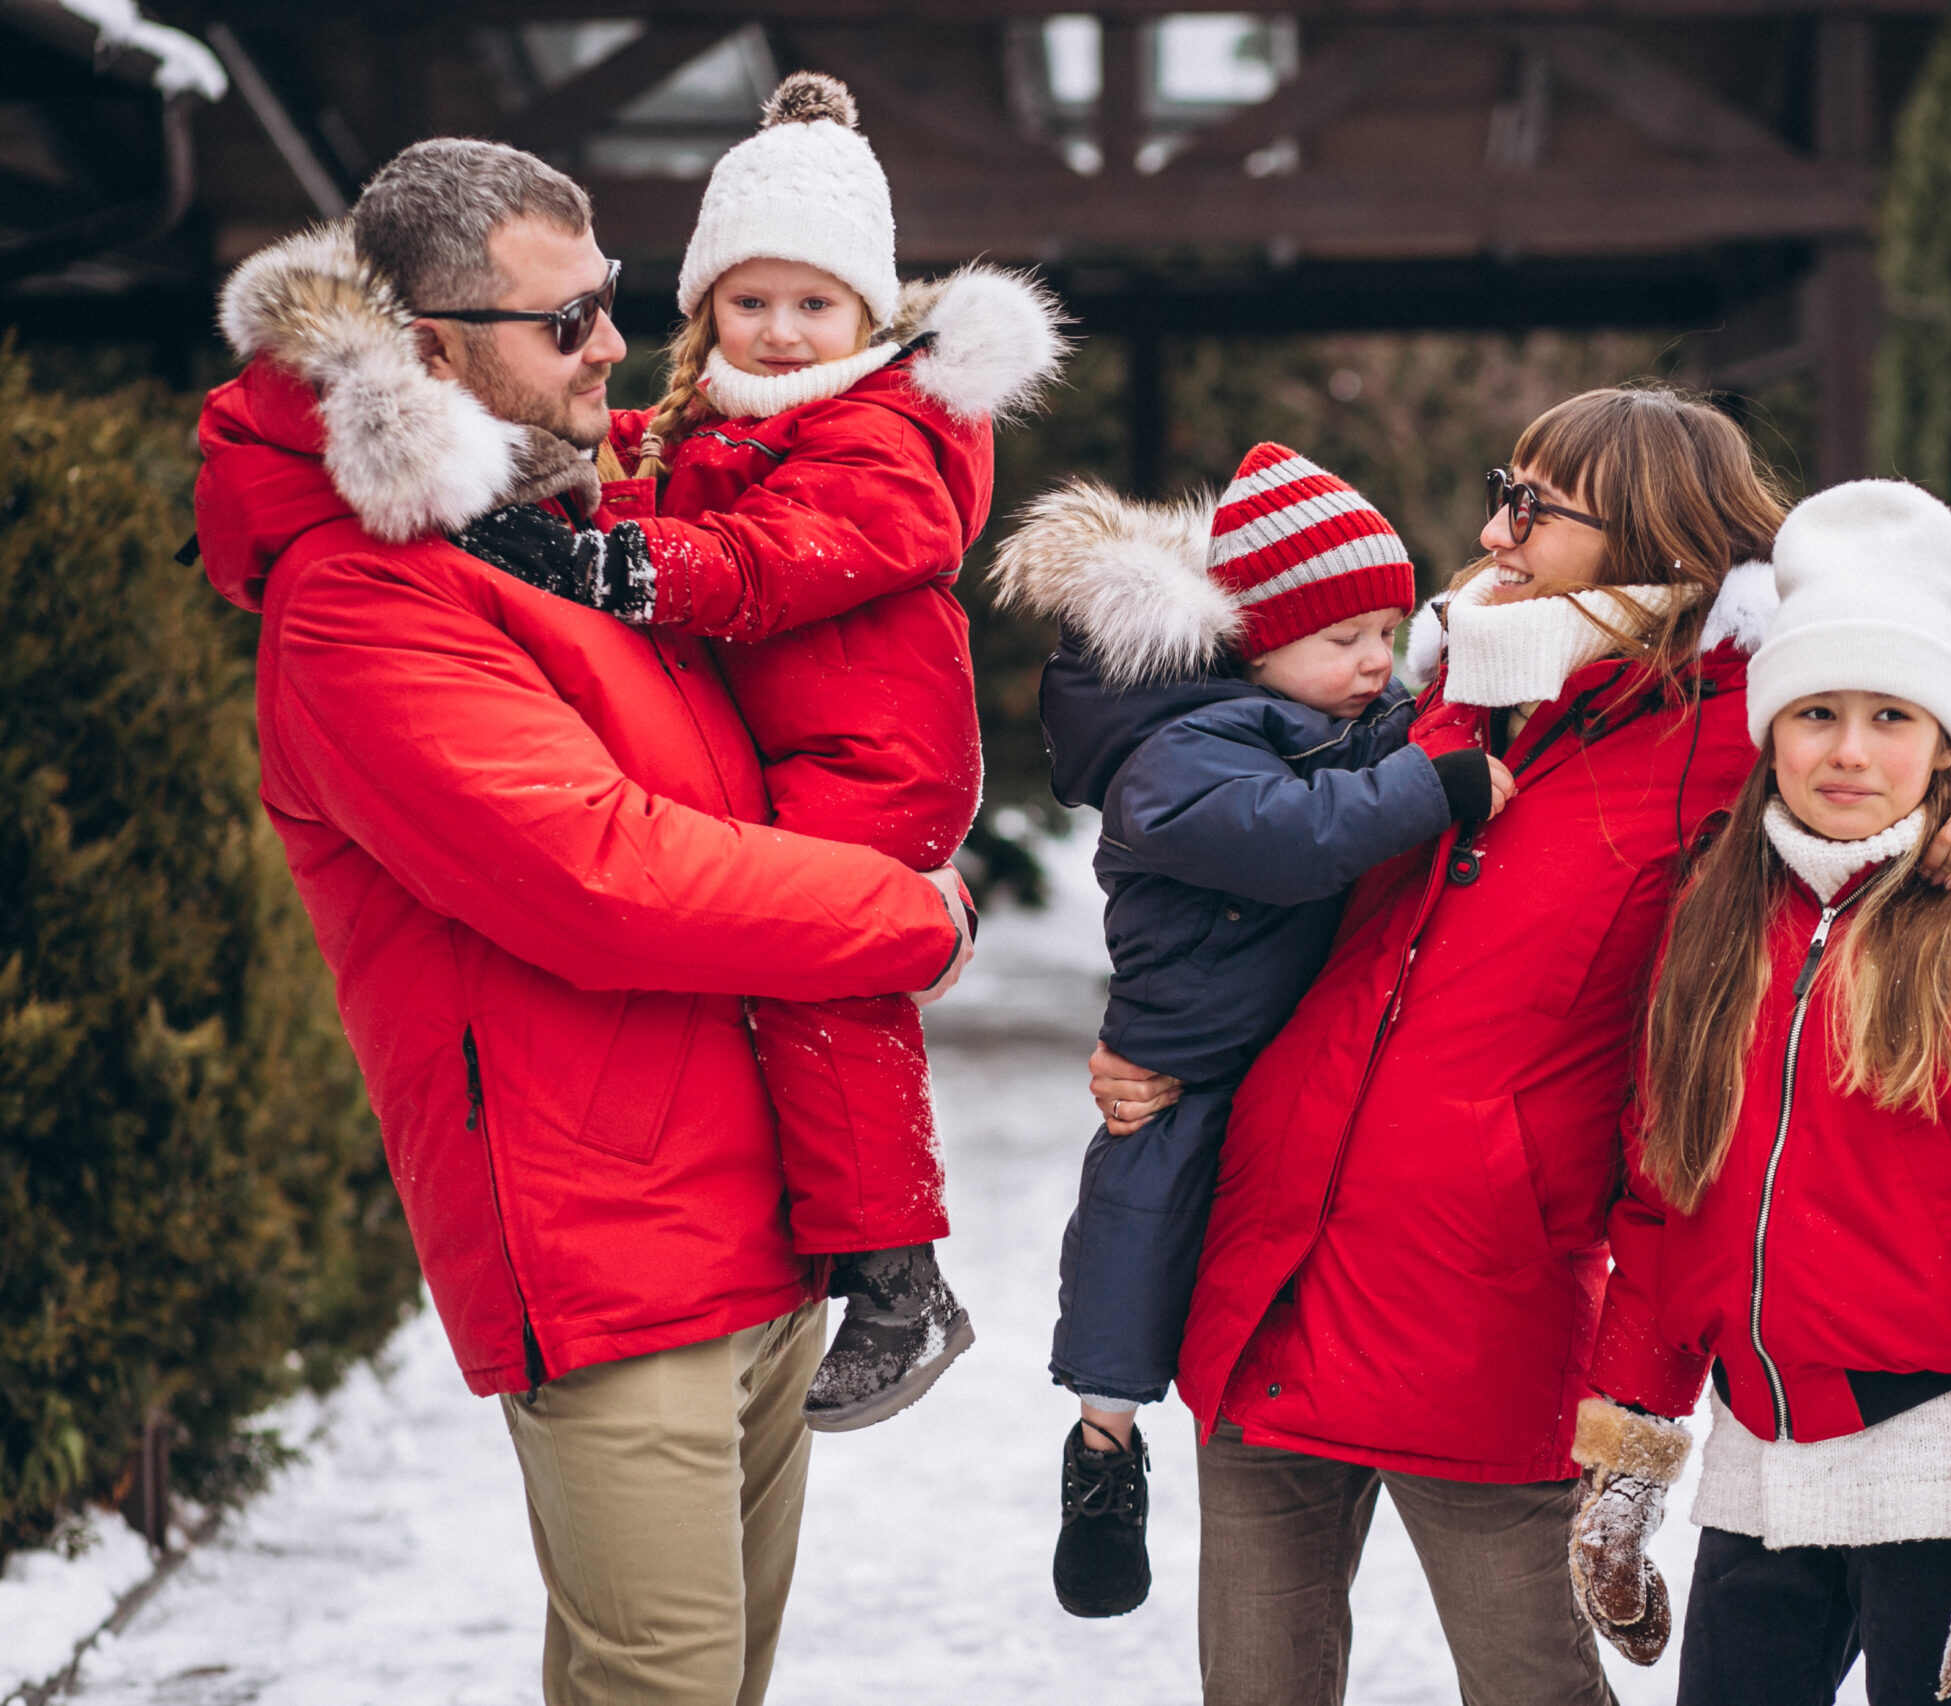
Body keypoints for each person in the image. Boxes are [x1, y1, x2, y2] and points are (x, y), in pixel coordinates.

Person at [1088, 387, 1951, 1706]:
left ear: (1654, 532)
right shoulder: (1454, 685)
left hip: (1487, 1294)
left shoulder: (1737, 738)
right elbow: (1230, 829)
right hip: (1273, 1262)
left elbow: (1884, 812)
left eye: (1535, 505)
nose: (1494, 529)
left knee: (1532, 1681)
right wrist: (1161, 1038)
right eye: (1503, 485)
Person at [196, 139, 971, 1705]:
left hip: (749, 1226)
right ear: (428, 346)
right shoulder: (361, 598)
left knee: (708, 1682)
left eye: (610, 302)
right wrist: (909, 917)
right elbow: (604, 876)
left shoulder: (558, 526)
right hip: (608, 1251)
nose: (616, 345)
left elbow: (833, 497)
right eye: (569, 322)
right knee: (665, 1687)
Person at [450, 72, 1068, 1432]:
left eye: (813, 305)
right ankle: (835, 1229)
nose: (781, 332)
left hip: (876, 752)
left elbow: (770, 557)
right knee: (769, 970)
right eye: (751, 302)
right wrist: (529, 460)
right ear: (708, 308)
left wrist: (621, 564)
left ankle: (902, 1276)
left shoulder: (887, 435)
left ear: (868, 314)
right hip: (800, 741)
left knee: (816, 979)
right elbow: (650, 462)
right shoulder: (730, 417)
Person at [1565, 479, 1951, 1706]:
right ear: (1768, 728)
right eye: (1817, 711)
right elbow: (1664, 1195)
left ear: (1946, 739)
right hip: (1756, 1466)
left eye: (1891, 714)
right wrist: (1628, 1442)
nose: (1849, 750)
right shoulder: (1714, 921)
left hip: (1943, 1470)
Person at [991, 444, 1517, 1618]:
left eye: (1388, 630)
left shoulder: (1320, 708)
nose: (1376, 662)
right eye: (1344, 640)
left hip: (1282, 1038)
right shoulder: (1171, 752)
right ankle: (1102, 1443)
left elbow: (1378, 745)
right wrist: (1440, 787)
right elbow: (1292, 835)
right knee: (1140, 1222)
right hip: (1181, 1044)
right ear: (1251, 642)